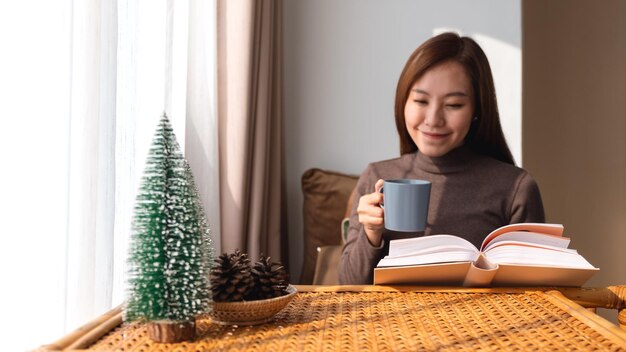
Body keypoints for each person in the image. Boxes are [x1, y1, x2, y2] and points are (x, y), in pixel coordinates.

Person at [338, 32, 545, 285]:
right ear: (403, 101)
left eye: (453, 105)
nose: (433, 119)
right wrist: (371, 235)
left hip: (483, 324)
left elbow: (534, 297)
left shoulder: (515, 188)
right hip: (390, 324)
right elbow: (348, 288)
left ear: (477, 110)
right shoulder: (376, 176)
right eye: (421, 100)